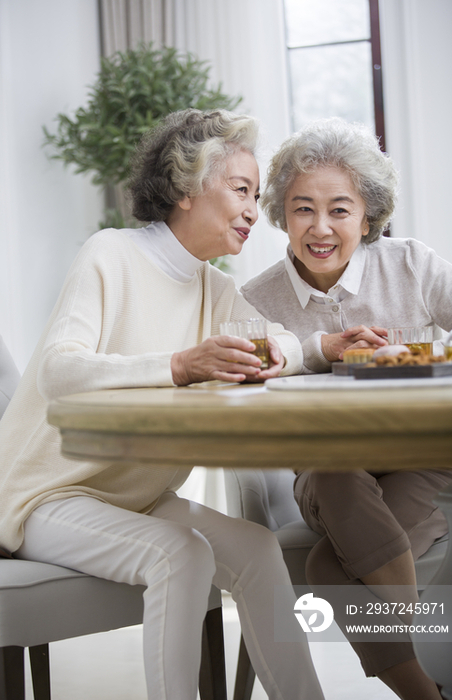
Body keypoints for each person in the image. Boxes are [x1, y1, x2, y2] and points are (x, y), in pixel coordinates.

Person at [0, 109, 325, 700]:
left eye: (258, 195)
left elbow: (280, 340)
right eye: (241, 189)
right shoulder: (110, 255)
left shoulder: (216, 287)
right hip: (47, 496)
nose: (255, 210)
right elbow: (57, 370)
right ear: (184, 188)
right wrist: (179, 365)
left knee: (254, 548)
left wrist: (286, 353)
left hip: (139, 496)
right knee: (181, 555)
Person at [241, 117, 452, 700]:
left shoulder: (411, 264)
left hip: (420, 462)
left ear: (368, 217)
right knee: (336, 470)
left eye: (339, 209)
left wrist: (412, 353)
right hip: (323, 472)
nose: (320, 228)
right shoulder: (256, 299)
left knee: (327, 569)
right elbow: (245, 384)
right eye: (301, 209)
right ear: (281, 215)